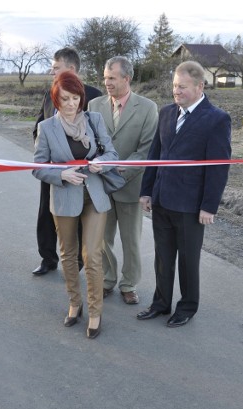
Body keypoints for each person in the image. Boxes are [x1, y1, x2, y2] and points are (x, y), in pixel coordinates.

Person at [137, 60, 231, 327]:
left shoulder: (216, 119)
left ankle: (187, 307)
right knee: (163, 257)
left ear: (200, 86)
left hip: (190, 206)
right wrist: (146, 191)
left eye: (182, 86)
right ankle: (161, 303)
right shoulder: (166, 113)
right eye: (174, 86)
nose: (176, 91)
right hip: (162, 199)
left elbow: (218, 168)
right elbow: (155, 155)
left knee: (188, 261)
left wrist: (209, 207)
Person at [32, 71, 119, 339]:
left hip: (94, 196)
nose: (72, 104)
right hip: (64, 198)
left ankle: (95, 311)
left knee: (91, 255)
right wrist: (61, 175)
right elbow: (37, 167)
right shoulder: (47, 128)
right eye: (66, 99)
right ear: (56, 100)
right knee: (68, 255)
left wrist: (102, 162)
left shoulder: (94, 120)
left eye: (76, 97)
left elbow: (112, 153)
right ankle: (74, 303)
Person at [88, 56, 158, 305]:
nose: (106, 82)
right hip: (101, 185)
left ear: (126, 78)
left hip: (130, 184)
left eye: (112, 78)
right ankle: (108, 279)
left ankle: (129, 284)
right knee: (103, 238)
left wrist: (121, 170)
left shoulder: (148, 108)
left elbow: (147, 148)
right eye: (105, 77)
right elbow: (89, 143)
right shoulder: (94, 105)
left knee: (131, 240)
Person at [31, 47, 102, 276]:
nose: (52, 73)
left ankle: (77, 263)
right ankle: (48, 258)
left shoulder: (94, 95)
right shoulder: (50, 93)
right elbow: (39, 126)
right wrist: (46, 156)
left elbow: (99, 135)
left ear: (71, 69)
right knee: (46, 213)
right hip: (52, 168)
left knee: (79, 215)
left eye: (56, 68)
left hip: (81, 173)